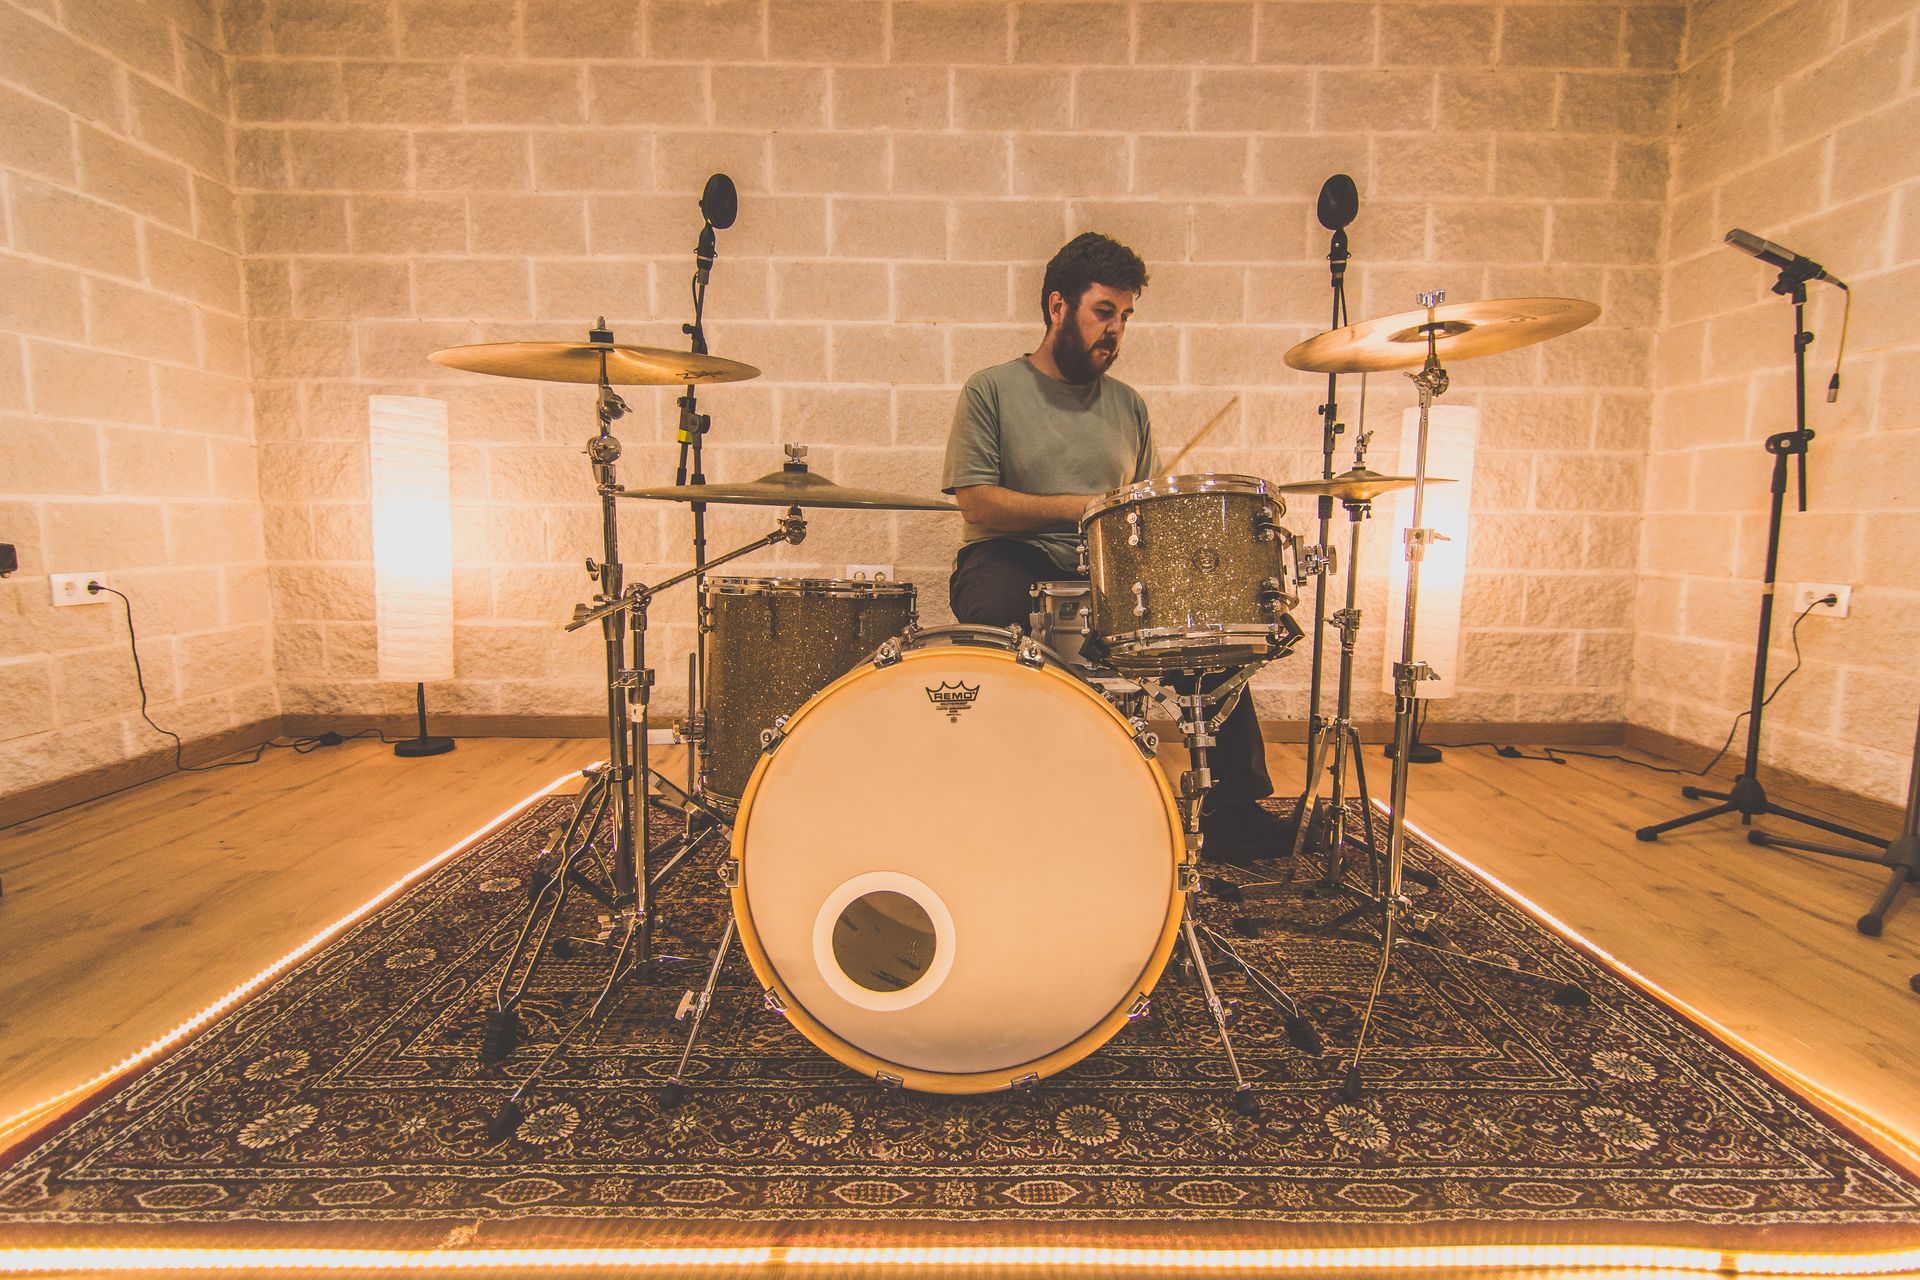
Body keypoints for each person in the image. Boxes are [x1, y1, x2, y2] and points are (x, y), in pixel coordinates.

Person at [940, 232, 1285, 866]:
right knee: (996, 607)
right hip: (1008, 555)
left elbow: (1141, 510)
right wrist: (1078, 506)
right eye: (1104, 311)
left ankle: (1233, 807)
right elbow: (976, 502)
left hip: (1103, 566)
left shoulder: (1129, 406)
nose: (1116, 330)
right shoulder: (990, 389)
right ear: (1057, 308)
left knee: (1203, 624)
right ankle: (1008, 793)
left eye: (1126, 316)